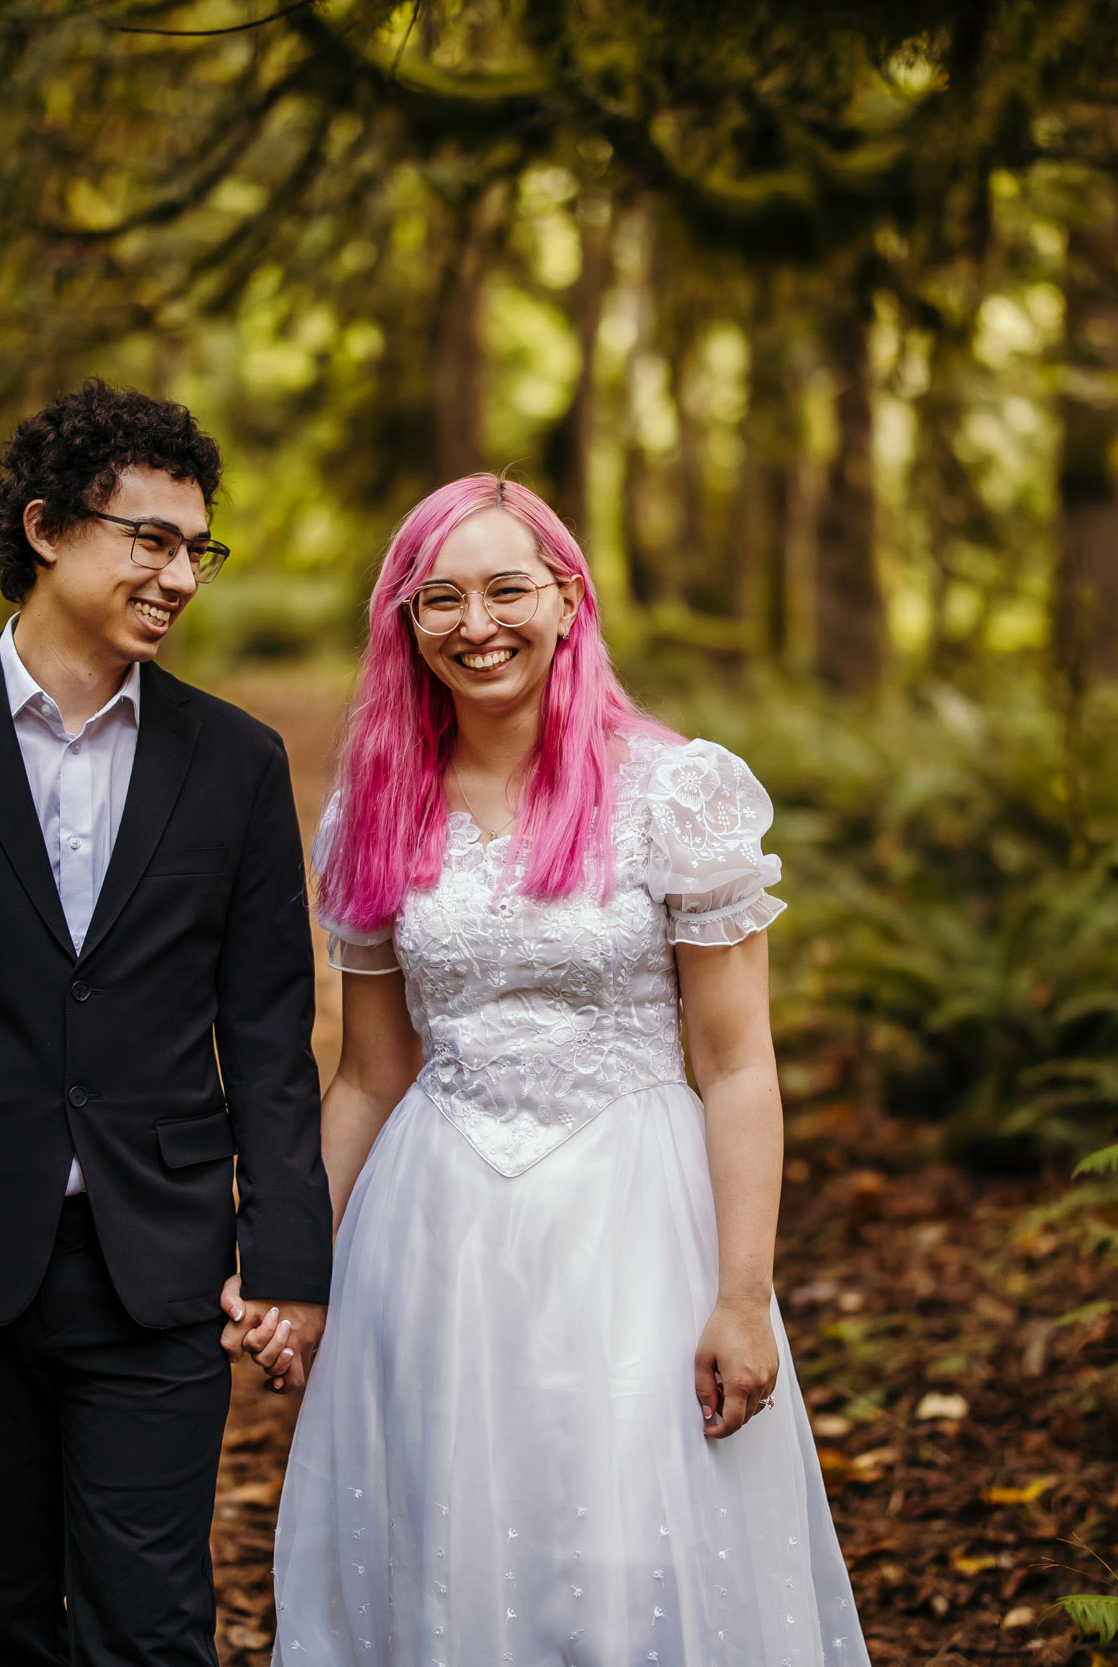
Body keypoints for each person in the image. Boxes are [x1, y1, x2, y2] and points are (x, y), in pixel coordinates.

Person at [261, 475, 866, 1665]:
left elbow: (739, 1063)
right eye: (438, 598)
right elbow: (372, 1075)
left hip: (633, 1220)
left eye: (505, 588)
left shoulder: (674, 790)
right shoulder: (376, 812)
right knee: (443, 1542)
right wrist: (293, 1267)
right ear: (405, 620)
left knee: (623, 1552)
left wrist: (743, 1294)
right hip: (432, 1234)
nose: (474, 622)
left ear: (567, 597)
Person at [0, 381, 331, 1667]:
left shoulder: (237, 762)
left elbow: (269, 1032)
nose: (181, 575)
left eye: (197, 547)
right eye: (150, 538)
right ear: (45, 527)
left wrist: (290, 1258)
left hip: (154, 1267)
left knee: (151, 1625)